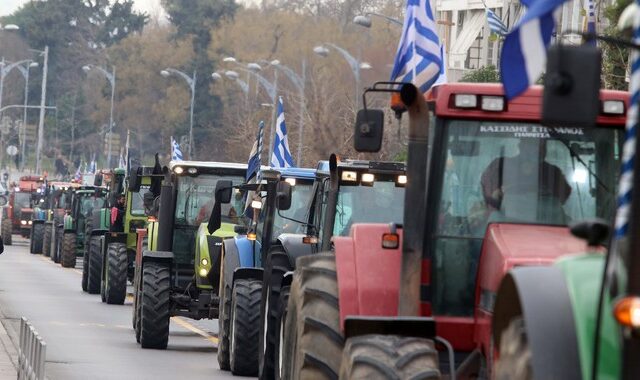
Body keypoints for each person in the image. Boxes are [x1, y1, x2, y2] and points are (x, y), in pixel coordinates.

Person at [480, 139, 572, 212]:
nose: (537, 150)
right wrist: (498, 193)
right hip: (503, 218)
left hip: (546, 220)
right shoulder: (500, 165)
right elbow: (489, 192)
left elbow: (563, 196)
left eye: (541, 146)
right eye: (531, 145)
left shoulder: (553, 171)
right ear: (521, 146)